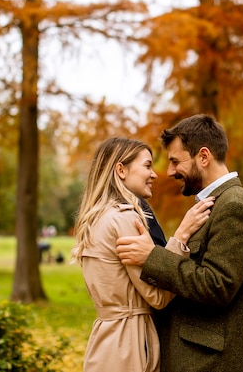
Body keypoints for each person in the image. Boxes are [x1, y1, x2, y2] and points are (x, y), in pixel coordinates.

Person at [116, 114, 243, 372]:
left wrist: (152, 257)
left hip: (210, 362)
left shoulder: (235, 207)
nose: (170, 171)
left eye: (176, 161)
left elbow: (217, 286)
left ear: (204, 157)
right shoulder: (216, 204)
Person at [71, 137, 214, 372]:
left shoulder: (98, 217)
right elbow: (158, 298)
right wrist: (181, 237)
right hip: (130, 346)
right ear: (121, 170)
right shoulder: (125, 218)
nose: (155, 174)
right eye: (147, 166)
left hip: (106, 341)